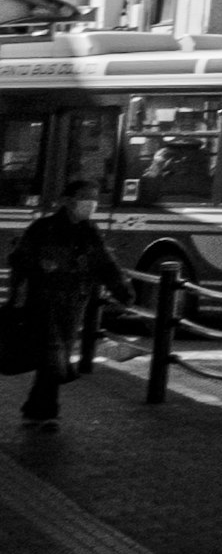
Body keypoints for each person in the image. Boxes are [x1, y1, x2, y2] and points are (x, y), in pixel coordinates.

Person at [6, 181, 137, 429]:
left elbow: (105, 262)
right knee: (53, 356)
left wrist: (124, 292)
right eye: (85, 199)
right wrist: (39, 266)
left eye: (94, 199)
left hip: (74, 304)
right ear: (68, 200)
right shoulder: (43, 228)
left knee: (56, 356)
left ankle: (35, 410)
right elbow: (19, 258)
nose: (91, 204)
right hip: (43, 302)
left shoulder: (90, 231)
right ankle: (46, 412)